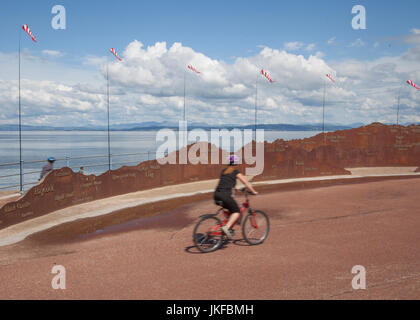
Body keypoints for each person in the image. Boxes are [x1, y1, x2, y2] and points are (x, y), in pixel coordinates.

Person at [214, 155, 258, 239]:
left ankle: (228, 226)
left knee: (230, 209)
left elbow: (225, 182)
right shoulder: (235, 171)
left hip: (217, 195)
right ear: (236, 163)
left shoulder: (224, 171)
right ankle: (226, 228)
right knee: (237, 212)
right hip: (225, 195)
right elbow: (245, 182)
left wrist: (236, 188)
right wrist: (253, 191)